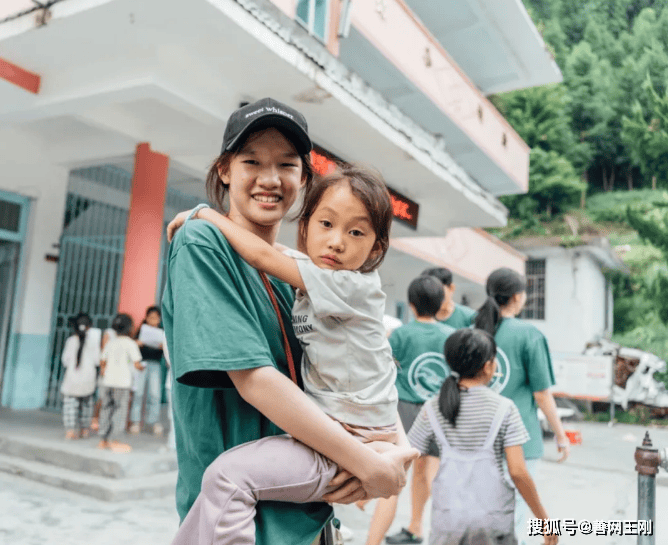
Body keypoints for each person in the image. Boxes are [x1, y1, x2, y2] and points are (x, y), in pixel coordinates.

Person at [161, 98, 418, 545]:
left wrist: (386, 456)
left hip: (308, 521)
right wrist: (367, 463)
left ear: (303, 178)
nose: (269, 178)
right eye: (251, 161)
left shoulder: (308, 278)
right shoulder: (204, 242)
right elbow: (255, 380)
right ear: (224, 170)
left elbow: (366, 365)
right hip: (244, 524)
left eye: (286, 164)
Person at [407, 328, 558, 545]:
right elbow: (518, 471)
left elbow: (410, 455)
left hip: (448, 519)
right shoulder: (505, 408)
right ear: (488, 366)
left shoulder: (432, 408)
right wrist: (544, 519)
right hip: (493, 521)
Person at [474, 268, 569, 545]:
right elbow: (542, 394)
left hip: (476, 438)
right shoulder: (529, 335)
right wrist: (561, 435)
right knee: (513, 519)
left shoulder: (473, 328)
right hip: (520, 441)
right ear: (517, 297)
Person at [365, 275, 455, 545]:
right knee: (434, 477)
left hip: (403, 413)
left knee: (394, 483)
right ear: (441, 304)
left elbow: (383, 371)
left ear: (412, 305)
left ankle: (372, 542)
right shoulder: (450, 336)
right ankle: (433, 534)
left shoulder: (401, 334)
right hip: (439, 412)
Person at [98, 313, 142, 453]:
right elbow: (137, 363)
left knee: (106, 408)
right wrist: (141, 367)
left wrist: (104, 370)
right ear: (130, 328)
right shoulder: (131, 343)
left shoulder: (111, 342)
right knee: (120, 410)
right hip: (122, 383)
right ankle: (115, 441)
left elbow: (103, 361)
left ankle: (103, 440)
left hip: (108, 381)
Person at [60, 312, 100, 440]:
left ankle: (70, 432)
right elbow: (97, 360)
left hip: (72, 379)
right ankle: (84, 430)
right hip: (88, 379)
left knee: (70, 407)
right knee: (87, 407)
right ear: (90, 326)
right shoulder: (93, 342)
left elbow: (65, 360)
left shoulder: (71, 341)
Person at [129, 305, 165, 436]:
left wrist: (162, 346)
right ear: (146, 318)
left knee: (154, 394)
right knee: (138, 393)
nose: (153, 320)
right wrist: (137, 342)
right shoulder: (141, 330)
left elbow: (165, 352)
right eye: (151, 317)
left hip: (155, 365)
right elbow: (132, 346)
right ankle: (135, 421)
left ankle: (153, 421)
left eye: (156, 318)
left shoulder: (161, 332)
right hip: (142, 364)